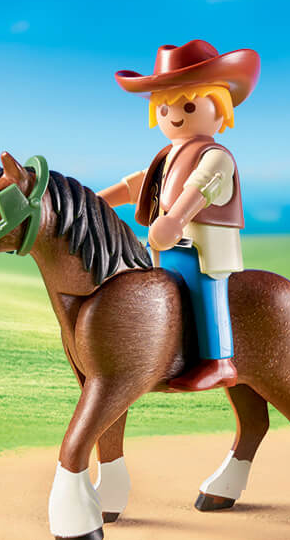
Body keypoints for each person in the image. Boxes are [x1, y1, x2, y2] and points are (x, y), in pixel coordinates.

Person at [99, 39, 260, 391]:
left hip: (203, 250)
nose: (173, 115)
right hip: (165, 247)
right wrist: (96, 201)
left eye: (188, 106)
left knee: (206, 291)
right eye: (164, 108)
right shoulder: (167, 155)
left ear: (220, 108)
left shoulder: (216, 156)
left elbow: (200, 189)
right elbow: (137, 185)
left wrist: (175, 219)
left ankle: (219, 361)